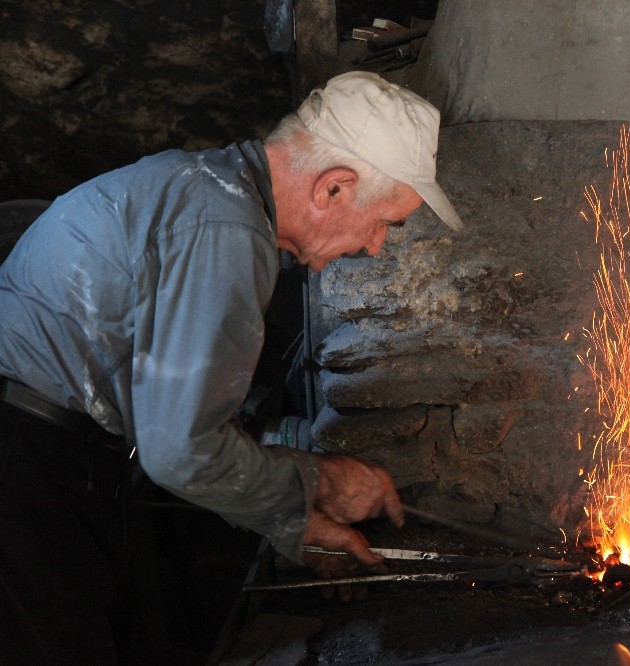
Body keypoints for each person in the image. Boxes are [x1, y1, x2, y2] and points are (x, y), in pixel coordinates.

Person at [0, 71, 464, 664]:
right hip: (25, 460)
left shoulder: (207, 188)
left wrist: (292, 520)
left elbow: (177, 424)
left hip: (48, 452)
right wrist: (318, 485)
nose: (375, 246)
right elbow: (181, 449)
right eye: (385, 223)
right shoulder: (226, 228)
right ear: (334, 189)